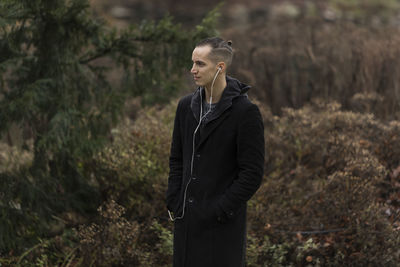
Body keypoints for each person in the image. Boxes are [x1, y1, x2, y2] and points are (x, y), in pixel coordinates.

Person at [166, 37, 265, 267]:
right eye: (192, 63)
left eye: (200, 64)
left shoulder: (245, 113)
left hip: (222, 228)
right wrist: (174, 200)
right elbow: (177, 158)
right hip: (186, 224)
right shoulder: (185, 107)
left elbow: (252, 174)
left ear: (220, 67)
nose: (193, 70)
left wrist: (219, 210)